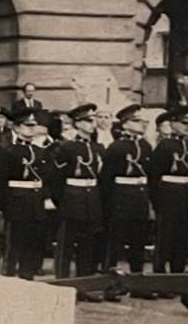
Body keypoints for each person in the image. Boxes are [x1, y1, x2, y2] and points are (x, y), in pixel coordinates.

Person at [52, 103, 106, 300]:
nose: (93, 124)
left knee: (87, 246)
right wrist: (61, 201)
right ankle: (62, 285)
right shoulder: (66, 147)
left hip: (91, 199)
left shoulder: (96, 147)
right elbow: (56, 178)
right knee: (66, 245)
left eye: (94, 120)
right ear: (78, 123)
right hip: (72, 199)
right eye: (88, 121)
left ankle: (84, 286)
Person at [101, 104, 154, 298]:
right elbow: (106, 179)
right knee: (116, 243)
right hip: (120, 198)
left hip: (139, 198)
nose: (142, 124)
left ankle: (138, 284)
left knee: (138, 241)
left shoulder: (146, 146)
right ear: (126, 124)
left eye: (142, 121)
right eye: (137, 121)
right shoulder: (116, 147)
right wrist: (108, 205)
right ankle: (112, 285)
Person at [0, 107, 52, 280]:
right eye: (27, 126)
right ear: (16, 128)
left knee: (32, 244)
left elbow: (45, 178)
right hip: (16, 203)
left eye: (34, 125)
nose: (32, 128)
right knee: (14, 245)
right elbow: (0, 182)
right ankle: (9, 276)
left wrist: (45, 198)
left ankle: (27, 276)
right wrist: (2, 207)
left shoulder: (40, 152)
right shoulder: (8, 151)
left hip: (35, 203)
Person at [149, 106, 188, 280]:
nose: (187, 126)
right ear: (173, 124)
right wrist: (156, 202)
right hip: (168, 194)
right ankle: (159, 275)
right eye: (183, 123)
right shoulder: (165, 145)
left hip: (185, 194)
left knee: (182, 236)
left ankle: (177, 275)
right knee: (165, 236)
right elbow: (154, 174)